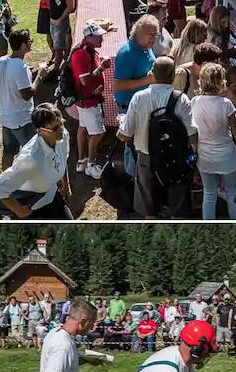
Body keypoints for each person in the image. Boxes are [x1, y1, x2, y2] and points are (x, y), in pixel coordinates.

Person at [117, 56, 196, 219]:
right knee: (178, 209)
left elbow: (124, 135)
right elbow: (192, 135)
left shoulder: (139, 97)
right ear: (173, 75)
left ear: (152, 73)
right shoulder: (181, 99)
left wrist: (120, 125)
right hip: (176, 161)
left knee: (150, 211)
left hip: (146, 160)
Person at [0, 104, 73, 219]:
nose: (61, 129)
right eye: (55, 128)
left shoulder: (63, 136)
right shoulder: (31, 159)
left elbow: (63, 160)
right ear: (40, 131)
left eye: (61, 123)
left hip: (51, 196)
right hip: (32, 207)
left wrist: (66, 186)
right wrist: (20, 211)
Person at [190, 63, 236, 220]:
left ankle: (209, 230)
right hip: (227, 156)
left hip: (205, 157)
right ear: (221, 82)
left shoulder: (194, 102)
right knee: (232, 192)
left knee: (209, 194)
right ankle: (235, 227)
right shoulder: (226, 104)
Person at [61, 21, 113, 178]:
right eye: (98, 37)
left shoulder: (86, 49)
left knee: (83, 127)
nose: (101, 40)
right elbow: (85, 80)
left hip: (86, 99)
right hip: (88, 101)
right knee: (97, 133)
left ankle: (81, 161)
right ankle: (91, 164)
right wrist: (102, 68)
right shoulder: (82, 53)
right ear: (88, 37)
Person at [113, 15, 159, 175]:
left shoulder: (146, 47)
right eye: (150, 34)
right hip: (129, 106)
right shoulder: (126, 53)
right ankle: (132, 180)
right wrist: (146, 79)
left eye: (156, 34)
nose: (154, 38)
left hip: (144, 104)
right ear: (138, 32)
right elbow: (118, 85)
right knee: (131, 146)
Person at [0, 29, 46, 169]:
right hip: (22, 120)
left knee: (8, 152)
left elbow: (1, 80)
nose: (31, 43)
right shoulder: (20, 67)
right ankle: (35, 182)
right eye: (29, 41)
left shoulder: (2, 61)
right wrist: (40, 75)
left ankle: (5, 182)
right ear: (23, 46)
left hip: (6, 118)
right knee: (34, 153)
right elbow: (27, 94)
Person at [43, 0, 77, 71]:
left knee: (60, 49)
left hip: (61, 21)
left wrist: (60, 20)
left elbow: (70, 8)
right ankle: (64, 65)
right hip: (52, 20)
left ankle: (58, 69)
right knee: (57, 45)